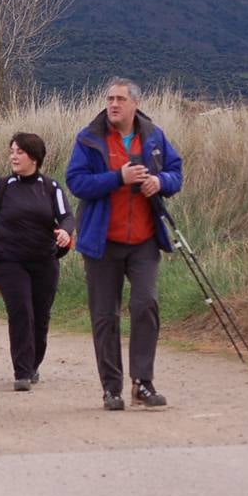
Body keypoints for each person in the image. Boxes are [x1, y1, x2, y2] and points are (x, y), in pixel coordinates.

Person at [65, 78, 183, 411]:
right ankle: (111, 388)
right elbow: (76, 181)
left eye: (120, 99)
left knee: (145, 304)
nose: (113, 104)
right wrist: (118, 178)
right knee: (105, 316)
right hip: (103, 241)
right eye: (109, 99)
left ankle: (142, 383)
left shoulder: (154, 136)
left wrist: (159, 181)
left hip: (144, 239)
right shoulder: (89, 138)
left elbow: (176, 173)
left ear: (134, 104)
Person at [0, 133, 75, 391]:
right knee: (20, 312)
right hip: (9, 261)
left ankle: (33, 363)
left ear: (34, 158)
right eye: (12, 151)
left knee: (40, 316)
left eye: (19, 152)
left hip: (44, 261)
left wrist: (65, 232)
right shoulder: (1, 188)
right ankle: (21, 371)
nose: (13, 156)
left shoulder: (50, 188)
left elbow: (67, 216)